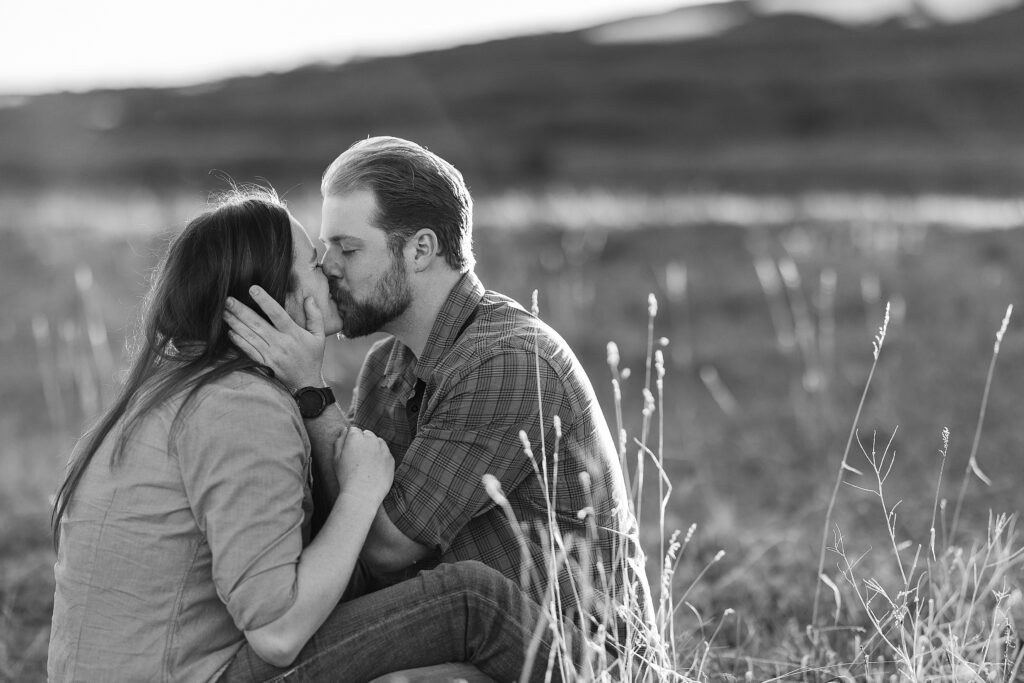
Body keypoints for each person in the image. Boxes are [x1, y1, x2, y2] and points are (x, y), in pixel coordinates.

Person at [47, 190, 583, 683]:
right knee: (473, 601)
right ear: (269, 296)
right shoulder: (239, 407)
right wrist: (361, 491)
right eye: (312, 262)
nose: (328, 270)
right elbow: (278, 633)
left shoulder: (157, 396)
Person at [224, 137, 654, 652]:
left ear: (421, 249)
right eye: (325, 248)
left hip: (576, 655)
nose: (328, 266)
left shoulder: (506, 360)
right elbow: (352, 531)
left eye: (348, 248)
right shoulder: (387, 365)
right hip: (464, 638)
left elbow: (386, 547)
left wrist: (310, 391)